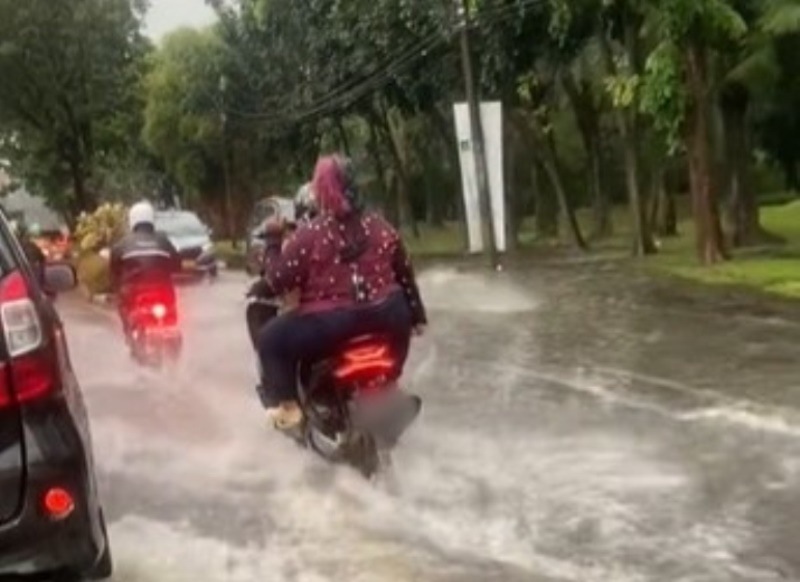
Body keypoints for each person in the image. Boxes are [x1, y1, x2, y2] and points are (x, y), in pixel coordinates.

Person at [249, 154, 427, 429]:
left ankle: (289, 408)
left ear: (320, 192)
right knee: (396, 332)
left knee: (269, 340)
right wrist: (416, 317)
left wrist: (273, 243)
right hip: (389, 316)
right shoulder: (382, 227)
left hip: (331, 325)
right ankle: (390, 387)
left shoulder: (309, 235)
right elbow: (405, 276)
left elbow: (277, 281)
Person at [110, 201, 181, 340]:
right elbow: (177, 265)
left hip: (133, 293)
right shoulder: (164, 240)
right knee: (173, 310)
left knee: (123, 305)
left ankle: (130, 334)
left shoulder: (122, 244)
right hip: (164, 292)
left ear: (132, 220)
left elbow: (114, 271)